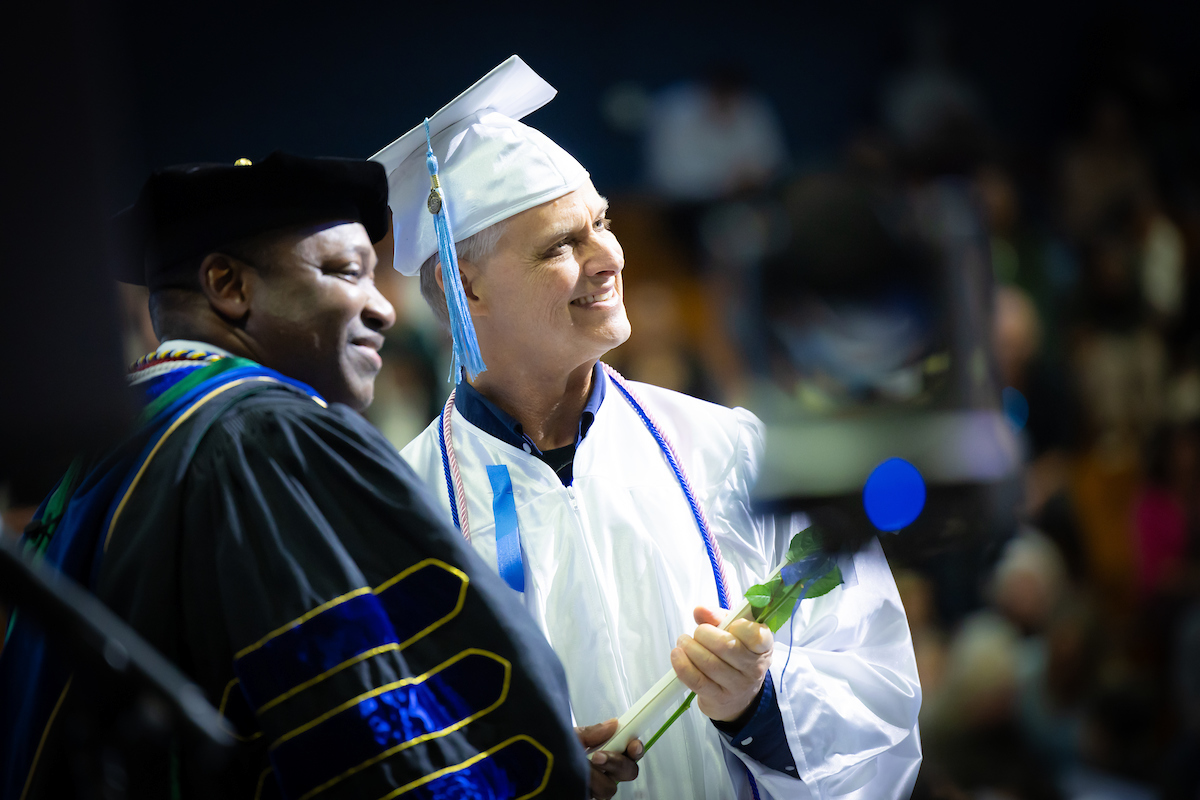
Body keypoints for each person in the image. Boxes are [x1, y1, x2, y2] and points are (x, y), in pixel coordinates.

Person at [374, 57, 923, 800]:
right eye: (562, 245)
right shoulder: (398, 515)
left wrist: (757, 708)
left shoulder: (729, 451)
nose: (610, 257)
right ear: (462, 285)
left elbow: (877, 691)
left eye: (602, 222)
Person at [0, 153, 594, 800]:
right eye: (343, 272)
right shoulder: (262, 436)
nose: (384, 309)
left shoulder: (125, 438)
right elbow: (357, 721)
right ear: (229, 286)